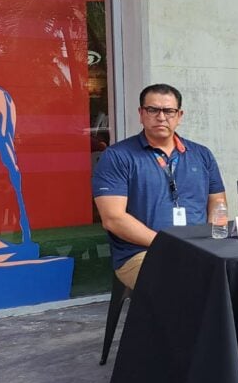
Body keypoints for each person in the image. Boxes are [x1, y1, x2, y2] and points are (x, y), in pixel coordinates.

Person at [93, 84, 226, 290]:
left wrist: (213, 238)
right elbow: (113, 219)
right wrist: (171, 245)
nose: (161, 117)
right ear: (141, 113)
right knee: (185, 282)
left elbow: (217, 201)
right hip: (141, 252)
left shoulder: (201, 154)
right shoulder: (118, 156)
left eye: (169, 111)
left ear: (179, 115)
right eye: (153, 110)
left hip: (200, 247)